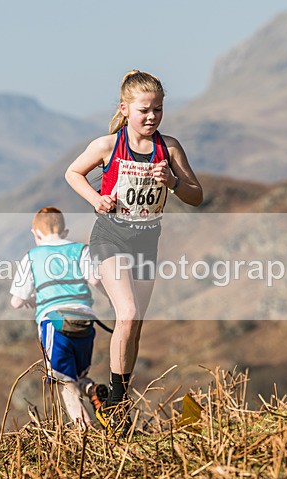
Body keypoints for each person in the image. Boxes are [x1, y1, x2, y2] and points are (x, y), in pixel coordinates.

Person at [65, 70, 203, 435]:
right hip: (110, 237)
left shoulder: (168, 147)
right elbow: (73, 173)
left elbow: (197, 194)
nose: (152, 117)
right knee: (126, 314)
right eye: (144, 110)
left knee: (136, 322)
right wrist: (97, 200)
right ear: (124, 109)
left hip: (146, 242)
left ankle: (118, 398)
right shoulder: (108, 145)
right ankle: (117, 403)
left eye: (158, 109)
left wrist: (173, 183)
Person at [10, 206, 106, 427]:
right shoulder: (80, 250)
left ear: (36, 234)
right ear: (65, 232)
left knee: (66, 385)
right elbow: (95, 280)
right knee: (78, 377)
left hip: (55, 323)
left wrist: (32, 299)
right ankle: (92, 390)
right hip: (85, 322)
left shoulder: (32, 256)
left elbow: (16, 301)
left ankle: (87, 437)